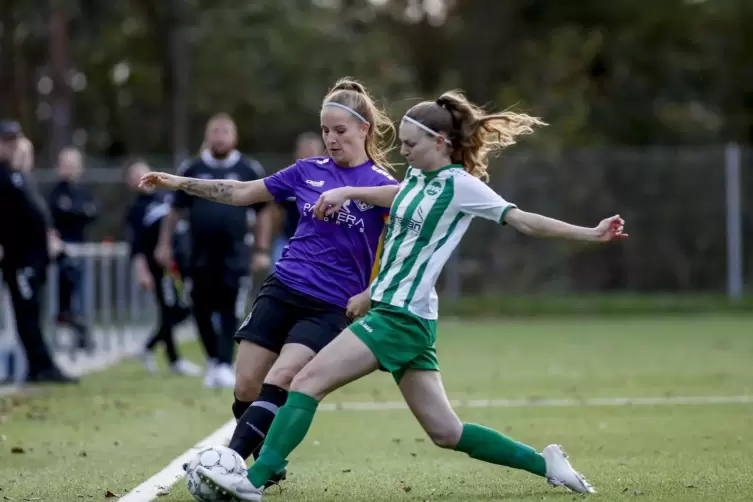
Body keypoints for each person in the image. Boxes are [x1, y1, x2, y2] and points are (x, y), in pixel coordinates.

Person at [195, 91, 629, 500]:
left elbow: (525, 221)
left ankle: (252, 479)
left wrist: (589, 233)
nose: (403, 152)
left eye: (410, 144)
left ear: (440, 142)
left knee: (306, 382)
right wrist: (349, 195)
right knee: (446, 432)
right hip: (405, 314)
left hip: (400, 318)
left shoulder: (462, 186)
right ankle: (546, 463)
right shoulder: (420, 177)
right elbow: (394, 198)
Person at [139, 78, 398, 486]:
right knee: (246, 386)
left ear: (365, 128)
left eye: (340, 131)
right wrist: (179, 182)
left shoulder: (383, 186)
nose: (330, 139)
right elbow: (243, 192)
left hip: (331, 305)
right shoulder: (307, 171)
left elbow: (412, 212)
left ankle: (227, 465)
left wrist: (371, 289)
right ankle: (269, 460)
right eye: (325, 130)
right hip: (283, 287)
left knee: (283, 378)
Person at [155, 113, 274, 389]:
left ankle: (223, 362)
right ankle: (212, 359)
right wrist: (164, 244)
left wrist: (262, 249)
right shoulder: (192, 167)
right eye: (215, 131)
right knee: (200, 307)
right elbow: (173, 211)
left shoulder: (248, 169)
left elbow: (264, 212)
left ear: (234, 137)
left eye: (225, 131)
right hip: (198, 254)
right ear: (208, 137)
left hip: (235, 254)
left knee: (231, 307)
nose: (220, 136)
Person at [0, 120, 77, 384]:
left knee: (33, 313)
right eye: (6, 142)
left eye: (14, 141)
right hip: (17, 258)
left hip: (34, 258)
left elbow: (35, 214)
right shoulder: (4, 177)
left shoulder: (18, 176)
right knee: (26, 315)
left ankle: (39, 366)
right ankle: (39, 366)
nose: (12, 147)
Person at [123, 158, 202, 376]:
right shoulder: (135, 211)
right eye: (134, 176)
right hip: (159, 267)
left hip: (181, 263)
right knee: (168, 310)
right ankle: (173, 360)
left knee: (184, 309)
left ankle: (149, 347)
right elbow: (136, 247)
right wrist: (143, 271)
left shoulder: (167, 197)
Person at [48, 147, 97, 351]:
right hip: (60, 253)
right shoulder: (55, 192)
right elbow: (57, 213)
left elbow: (92, 213)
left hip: (81, 249)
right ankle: (57, 337)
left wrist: (73, 210)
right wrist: (77, 211)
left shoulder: (84, 192)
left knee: (82, 298)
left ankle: (83, 336)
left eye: (73, 165)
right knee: (60, 298)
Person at [265, 132, 325, 265]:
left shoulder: (329, 182)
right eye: (304, 151)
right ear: (296, 153)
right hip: (287, 240)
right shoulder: (287, 179)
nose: (308, 155)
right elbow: (274, 210)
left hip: (318, 245)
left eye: (312, 151)